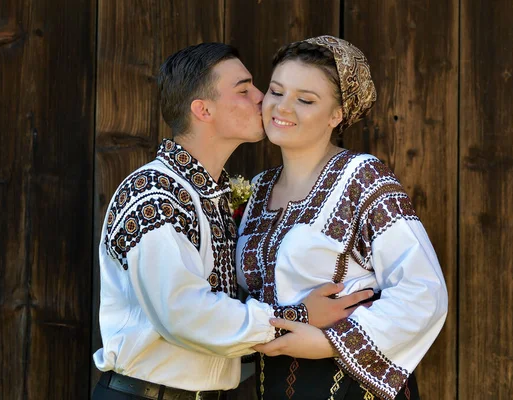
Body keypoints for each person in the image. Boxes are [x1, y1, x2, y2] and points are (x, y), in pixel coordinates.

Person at [92, 42, 374, 400]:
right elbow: (183, 313)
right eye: (244, 90)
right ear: (203, 110)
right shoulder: (153, 193)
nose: (262, 98)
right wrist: (299, 316)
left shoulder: (218, 195)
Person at [235, 36, 448, 400]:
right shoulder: (257, 189)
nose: (282, 108)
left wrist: (329, 342)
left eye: (305, 100)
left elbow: (424, 291)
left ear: (337, 115)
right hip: (272, 383)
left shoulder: (362, 178)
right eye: (276, 91)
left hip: (347, 382)